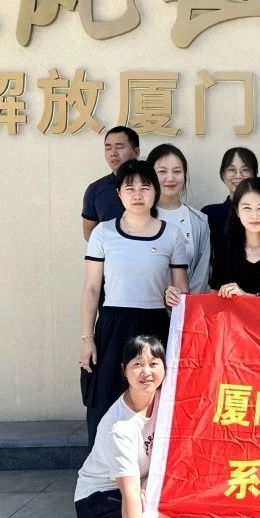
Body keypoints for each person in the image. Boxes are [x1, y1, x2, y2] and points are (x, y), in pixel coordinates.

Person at [80, 159, 188, 445]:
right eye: (130, 188)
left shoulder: (172, 234)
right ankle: (104, 469)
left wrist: (175, 296)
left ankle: (149, 469)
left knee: (155, 403)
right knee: (106, 399)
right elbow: (91, 289)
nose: (138, 194)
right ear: (119, 194)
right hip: (112, 326)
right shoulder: (103, 233)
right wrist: (87, 339)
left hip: (155, 327)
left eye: (145, 187)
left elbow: (182, 289)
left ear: (155, 192)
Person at [76, 334, 165, 518]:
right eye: (137, 364)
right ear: (124, 370)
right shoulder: (119, 426)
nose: (146, 372)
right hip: (98, 499)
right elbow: (130, 494)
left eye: (154, 363)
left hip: (142, 485)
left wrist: (149, 483)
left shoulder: (167, 402)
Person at [147, 143, 211, 294]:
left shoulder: (199, 221)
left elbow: (201, 275)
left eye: (177, 171)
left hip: (187, 305)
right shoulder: (139, 217)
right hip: (146, 305)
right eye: (162, 171)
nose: (170, 178)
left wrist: (183, 303)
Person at [202, 147, 258, 268]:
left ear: (254, 174)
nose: (238, 176)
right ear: (223, 174)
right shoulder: (210, 213)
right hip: (220, 279)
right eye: (232, 170)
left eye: (245, 170)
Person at [82, 126, 139, 241]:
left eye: (119, 147)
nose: (113, 153)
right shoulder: (95, 189)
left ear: (136, 152)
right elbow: (90, 236)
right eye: (108, 148)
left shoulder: (154, 184)